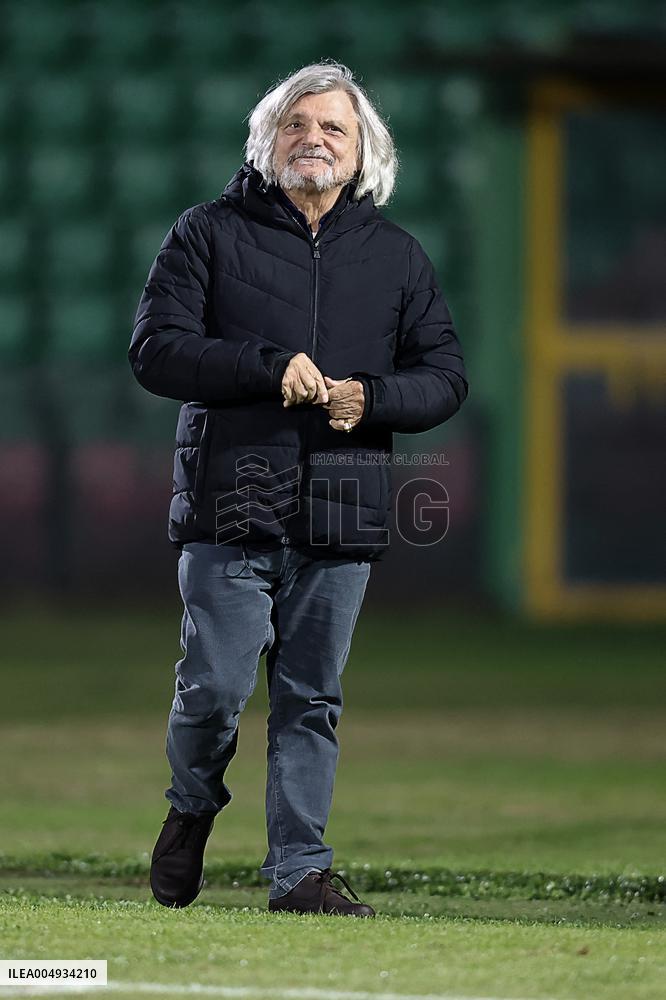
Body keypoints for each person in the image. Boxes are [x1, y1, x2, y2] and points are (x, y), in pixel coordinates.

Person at [128, 60, 468, 918]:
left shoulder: (396, 256)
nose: (313, 139)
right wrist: (265, 368)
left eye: (333, 129)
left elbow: (446, 376)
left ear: (362, 157)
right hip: (230, 505)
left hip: (342, 511)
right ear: (267, 140)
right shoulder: (204, 232)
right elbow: (156, 351)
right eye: (297, 124)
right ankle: (193, 806)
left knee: (311, 701)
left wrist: (374, 397)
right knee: (213, 690)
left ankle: (301, 875)